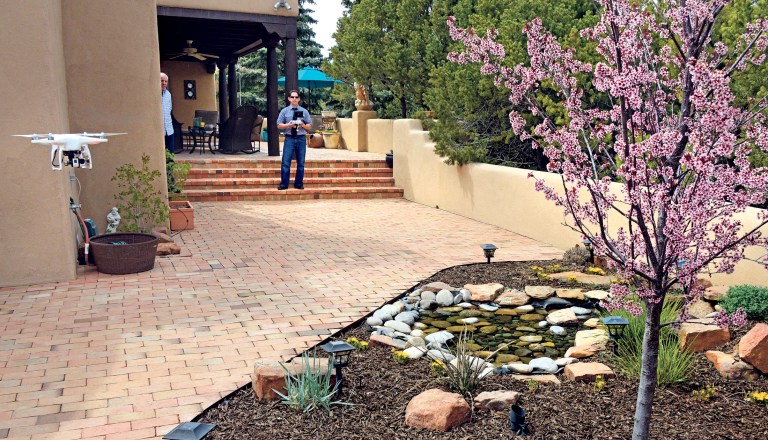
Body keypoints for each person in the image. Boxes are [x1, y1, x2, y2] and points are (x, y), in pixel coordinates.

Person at [276, 90, 312, 190]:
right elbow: (279, 125)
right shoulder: (284, 111)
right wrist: (289, 124)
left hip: (301, 138)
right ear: (289, 98)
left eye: (296, 97)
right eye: (292, 97)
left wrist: (303, 125)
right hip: (289, 139)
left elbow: (309, 126)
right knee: (286, 162)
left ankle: (298, 184)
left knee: (301, 163)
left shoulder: (304, 111)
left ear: (299, 99)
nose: (294, 99)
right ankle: (284, 184)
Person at [161, 72, 174, 151]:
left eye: (166, 81)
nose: (164, 83)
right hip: (159, 130)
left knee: (170, 154)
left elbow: (170, 109)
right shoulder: (154, 94)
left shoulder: (168, 94)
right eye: (162, 81)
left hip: (169, 129)